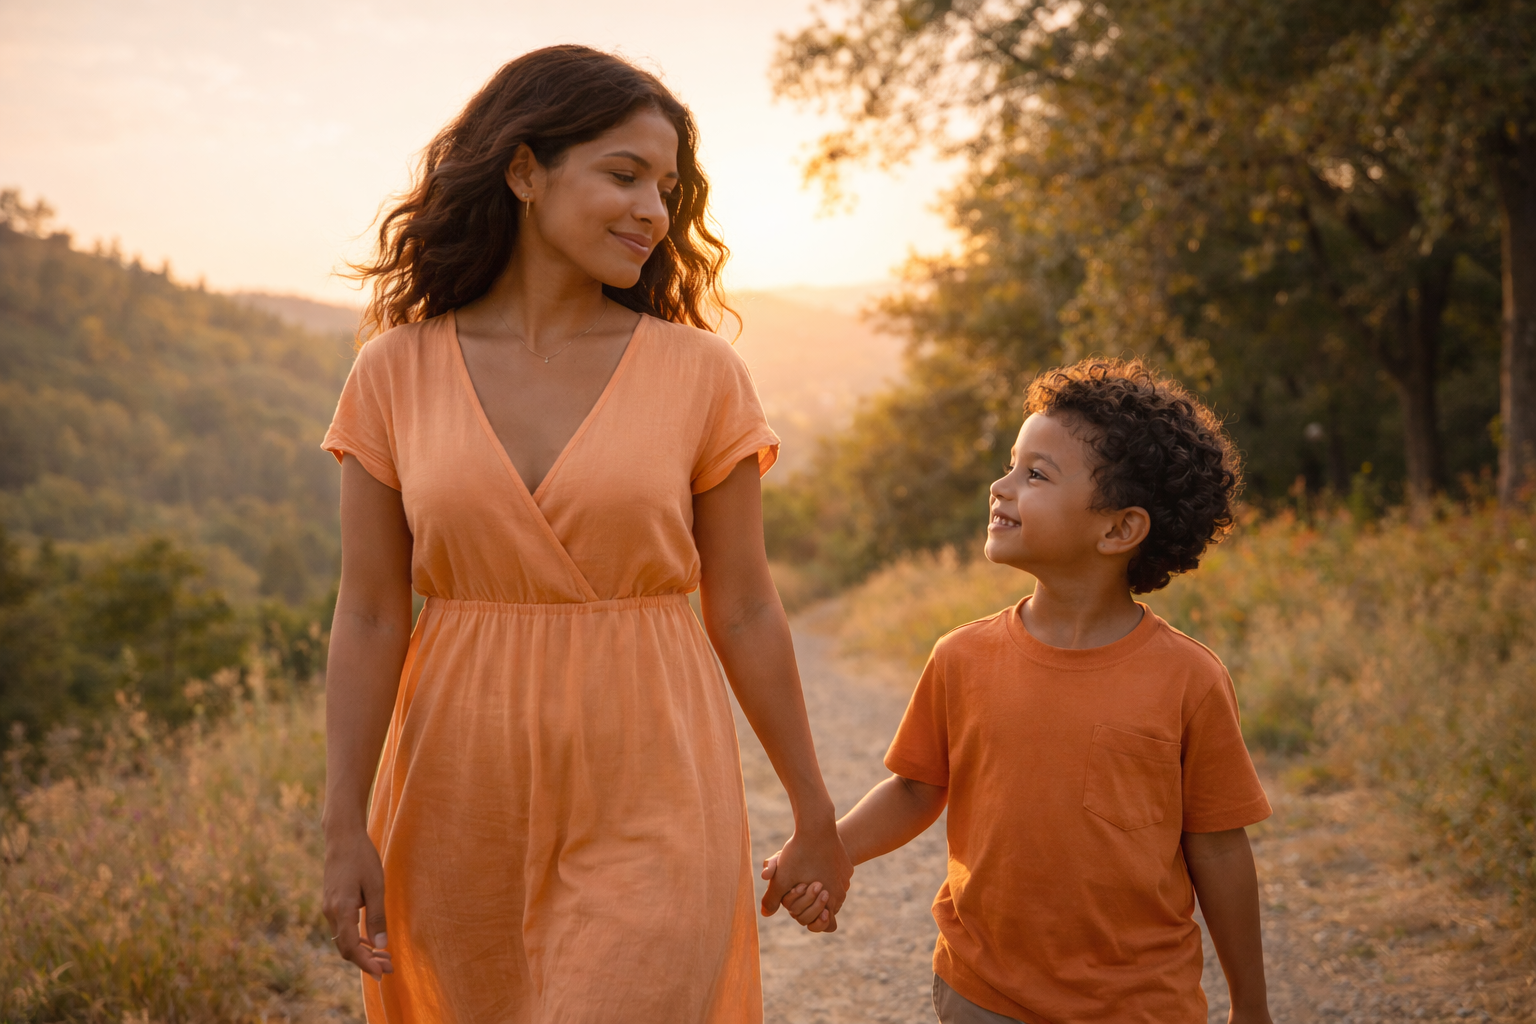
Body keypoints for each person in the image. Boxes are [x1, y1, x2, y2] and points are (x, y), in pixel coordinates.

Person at [319, 45, 851, 1023]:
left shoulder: (701, 375)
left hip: (652, 780)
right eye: (623, 173)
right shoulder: (392, 372)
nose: (654, 209)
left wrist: (816, 812)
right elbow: (368, 613)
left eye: (668, 187)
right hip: (453, 792)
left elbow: (743, 607)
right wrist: (343, 825)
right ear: (525, 171)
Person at [766, 359, 1274, 1024]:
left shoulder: (1188, 680)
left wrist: (1252, 1007)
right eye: (1011, 463)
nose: (1000, 486)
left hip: (1140, 1005)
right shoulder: (962, 657)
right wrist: (832, 849)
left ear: (1119, 529)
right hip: (982, 994)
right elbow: (918, 788)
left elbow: (1216, 845)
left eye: (1035, 474)